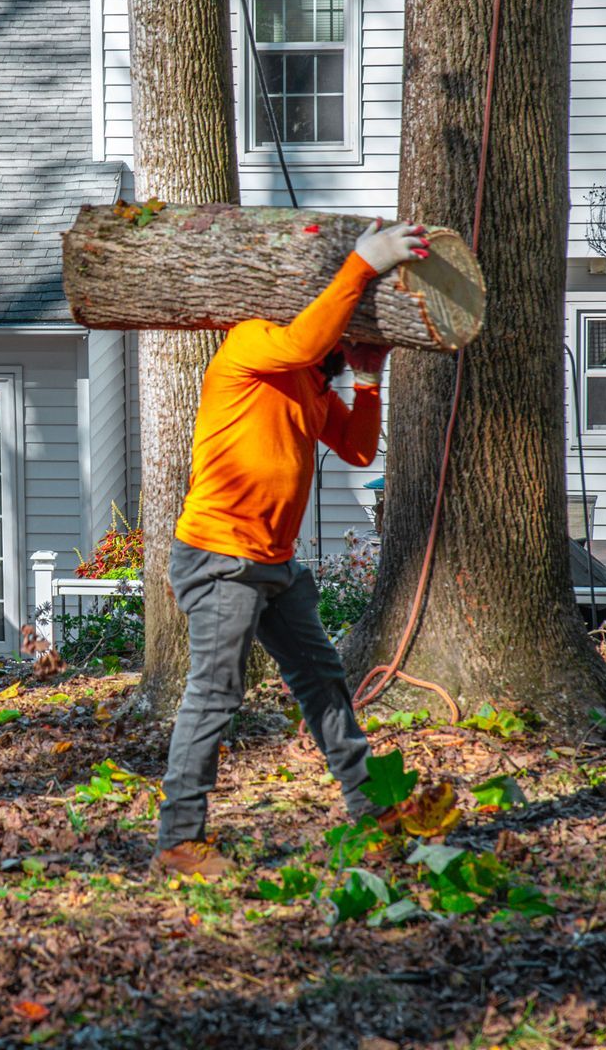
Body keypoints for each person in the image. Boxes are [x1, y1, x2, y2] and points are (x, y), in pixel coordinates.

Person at [152, 219, 430, 877]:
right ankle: (177, 844)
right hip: (221, 558)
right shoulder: (252, 343)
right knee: (214, 696)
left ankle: (370, 808)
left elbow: (359, 447)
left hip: (272, 562)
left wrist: (365, 381)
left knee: (324, 683)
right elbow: (307, 333)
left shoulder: (305, 379)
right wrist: (362, 263)